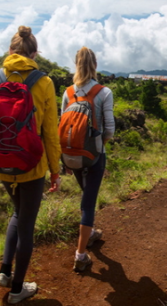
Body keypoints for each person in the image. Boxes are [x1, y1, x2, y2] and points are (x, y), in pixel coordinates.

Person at [0, 26, 61, 304]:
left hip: (1, 161)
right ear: (34, 53)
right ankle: (17, 290)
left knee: (17, 212)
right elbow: (51, 131)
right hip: (32, 165)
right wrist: (55, 170)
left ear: (10, 51)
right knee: (26, 223)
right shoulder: (44, 82)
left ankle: (4, 272)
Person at [61, 47, 115, 272]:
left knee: (86, 196)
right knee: (89, 203)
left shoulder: (67, 93)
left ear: (76, 64)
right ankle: (80, 254)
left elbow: (61, 125)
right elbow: (109, 129)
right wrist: (100, 145)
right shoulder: (104, 92)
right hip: (94, 155)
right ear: (95, 64)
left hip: (71, 156)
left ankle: (90, 232)